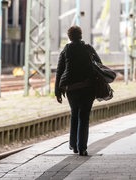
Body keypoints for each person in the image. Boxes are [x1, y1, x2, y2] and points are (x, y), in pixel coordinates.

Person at [54, 26, 101, 156]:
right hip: (87, 87)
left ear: (69, 37)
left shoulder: (66, 50)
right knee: (84, 117)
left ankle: (73, 145)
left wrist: (57, 91)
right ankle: (82, 148)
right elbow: (99, 64)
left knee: (75, 114)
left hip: (71, 89)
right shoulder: (88, 48)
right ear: (81, 35)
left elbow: (59, 71)